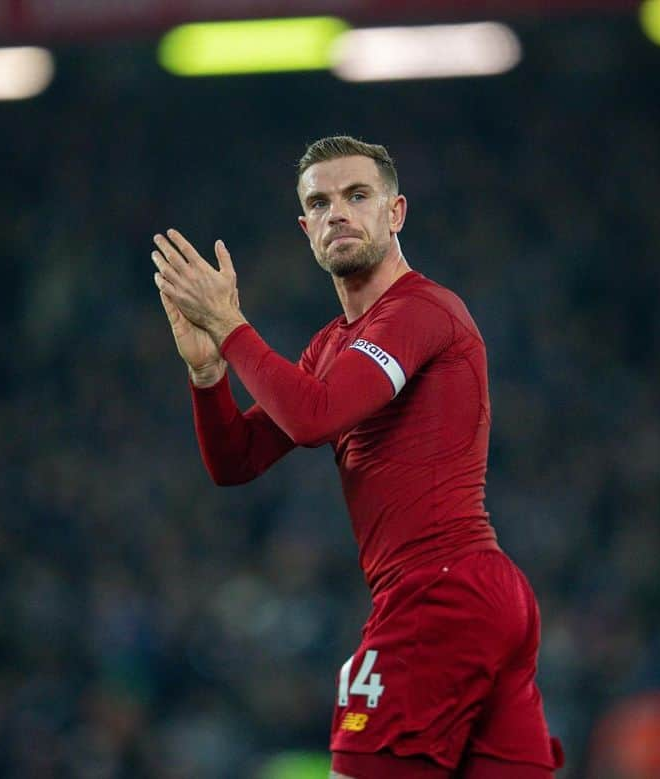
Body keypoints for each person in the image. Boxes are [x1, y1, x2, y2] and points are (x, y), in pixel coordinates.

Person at [150, 135, 564, 779]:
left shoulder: (421, 310)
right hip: (482, 595)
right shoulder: (335, 344)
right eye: (319, 203)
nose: (337, 213)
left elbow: (315, 418)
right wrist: (208, 375)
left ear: (395, 213)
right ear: (305, 227)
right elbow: (235, 462)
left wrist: (232, 326)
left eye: (357, 195)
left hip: (438, 590)